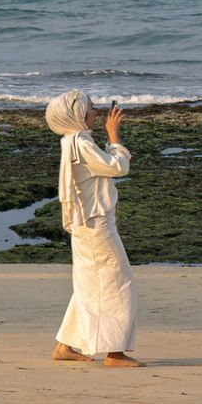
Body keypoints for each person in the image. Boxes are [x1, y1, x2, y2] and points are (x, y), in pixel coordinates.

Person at [44, 89, 142, 367]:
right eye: (91, 108)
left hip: (84, 223)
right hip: (96, 224)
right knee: (118, 282)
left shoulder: (70, 140)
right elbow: (118, 167)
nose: (96, 113)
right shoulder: (82, 143)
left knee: (89, 285)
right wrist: (114, 136)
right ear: (77, 114)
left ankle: (65, 345)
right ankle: (115, 352)